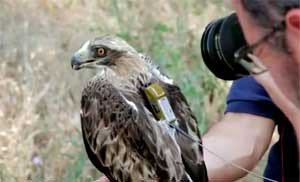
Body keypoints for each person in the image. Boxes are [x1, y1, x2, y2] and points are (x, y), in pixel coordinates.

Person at [98, 0, 300, 181]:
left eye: (253, 50)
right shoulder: (275, 37)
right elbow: (244, 132)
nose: (256, 62)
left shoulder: (277, 41)